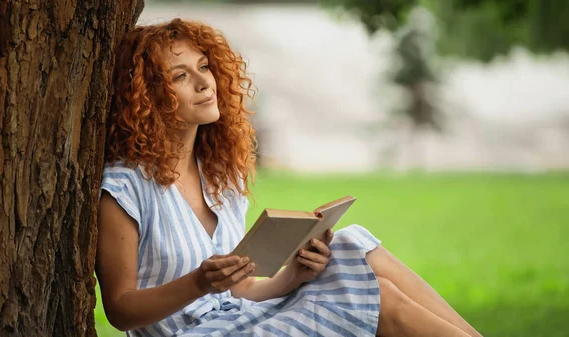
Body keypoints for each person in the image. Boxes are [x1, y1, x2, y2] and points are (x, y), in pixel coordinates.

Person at [96, 18, 483, 337]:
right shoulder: (125, 186)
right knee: (376, 298)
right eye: (180, 76)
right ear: (145, 95)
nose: (204, 83)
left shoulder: (217, 173)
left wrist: (293, 275)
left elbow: (243, 287)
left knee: (352, 245)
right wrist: (198, 283)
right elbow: (120, 309)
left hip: (238, 320)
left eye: (204, 67)